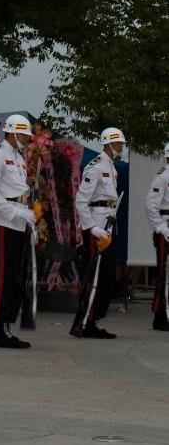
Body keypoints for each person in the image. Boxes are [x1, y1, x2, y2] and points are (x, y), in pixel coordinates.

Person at [0, 114, 38, 349]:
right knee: (5, 276)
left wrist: (28, 216)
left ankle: (7, 326)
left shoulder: (18, 156)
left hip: (20, 219)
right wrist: (14, 213)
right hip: (5, 221)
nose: (26, 138)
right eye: (24, 134)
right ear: (12, 132)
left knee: (16, 277)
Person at [70, 127, 126, 339]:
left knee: (106, 278)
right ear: (109, 143)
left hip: (108, 226)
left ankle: (94, 320)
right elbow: (82, 201)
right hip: (96, 228)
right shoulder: (94, 167)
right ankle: (85, 322)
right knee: (95, 278)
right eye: (118, 143)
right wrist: (92, 228)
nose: (121, 147)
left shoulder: (111, 167)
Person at [144, 142, 169, 332]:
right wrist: (161, 228)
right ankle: (161, 316)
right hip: (166, 229)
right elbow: (151, 206)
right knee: (163, 274)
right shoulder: (162, 177)